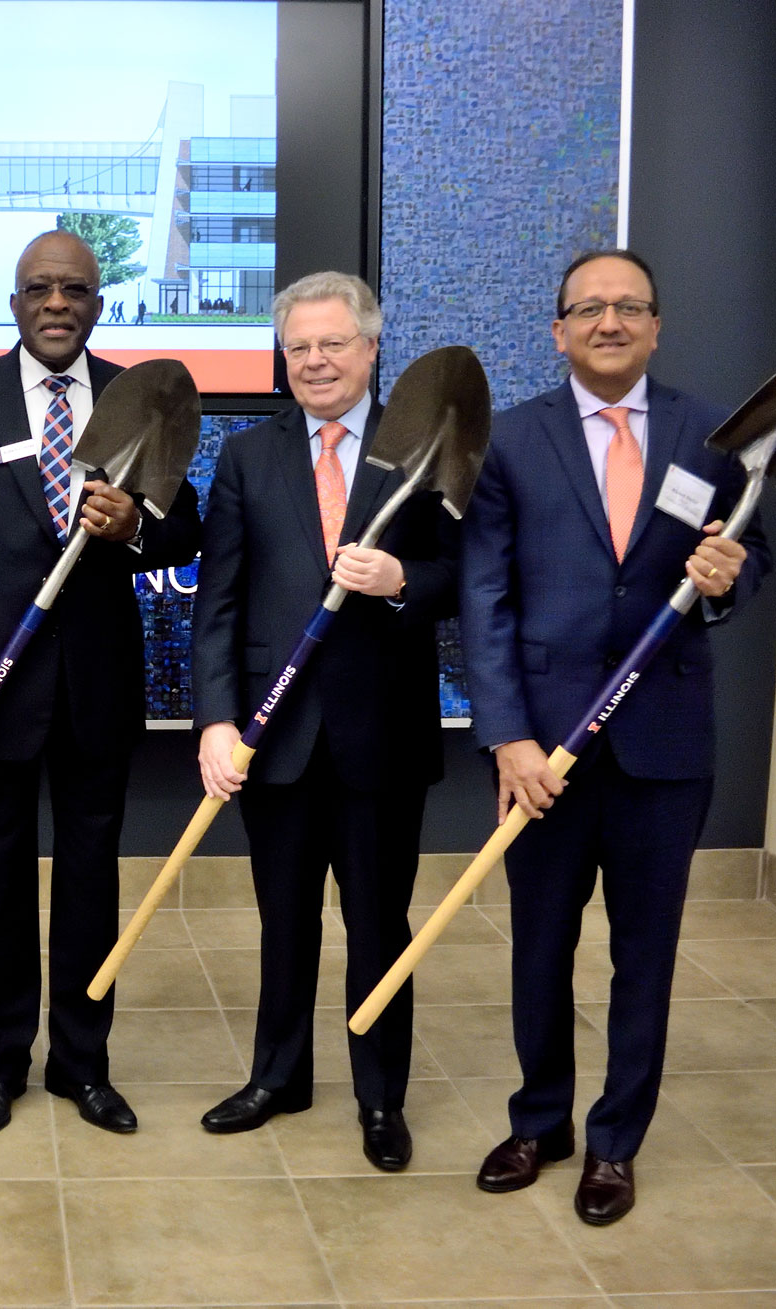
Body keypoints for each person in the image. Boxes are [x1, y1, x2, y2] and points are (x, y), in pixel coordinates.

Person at [460, 249, 769, 1224]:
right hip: (543, 754)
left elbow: (754, 553)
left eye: (628, 306)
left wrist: (730, 576)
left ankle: (614, 1142)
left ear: (656, 325)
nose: (608, 321)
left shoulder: (709, 439)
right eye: (588, 308)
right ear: (557, 331)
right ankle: (540, 1120)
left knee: (646, 954)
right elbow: (484, 599)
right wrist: (506, 738)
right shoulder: (509, 442)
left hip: (664, 749)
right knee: (539, 949)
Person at [0, 231, 202, 1138]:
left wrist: (133, 529)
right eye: (40, 288)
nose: (58, 302)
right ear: (16, 301)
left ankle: (82, 1063)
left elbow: (183, 534)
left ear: (100, 301)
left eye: (76, 288)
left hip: (96, 692)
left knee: (89, 882)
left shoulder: (138, 400)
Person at [192, 271, 456, 1170]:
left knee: (381, 926)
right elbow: (218, 604)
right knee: (284, 921)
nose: (313, 361)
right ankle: (279, 1076)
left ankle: (382, 1098)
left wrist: (406, 582)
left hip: (383, 735)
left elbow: (468, 572)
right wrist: (215, 721)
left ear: (371, 349)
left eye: (332, 343)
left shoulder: (424, 446)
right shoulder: (244, 456)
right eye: (298, 346)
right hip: (277, 738)